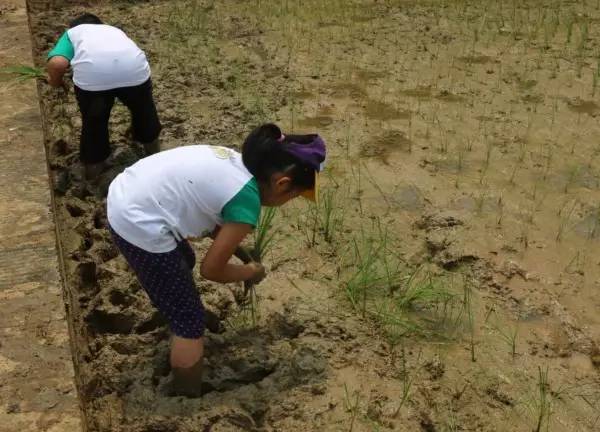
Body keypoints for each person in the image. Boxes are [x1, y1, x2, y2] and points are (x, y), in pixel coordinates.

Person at [106, 123, 326, 396]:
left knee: (183, 258)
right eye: (294, 196)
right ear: (283, 184)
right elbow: (211, 270)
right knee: (190, 321)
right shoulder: (248, 203)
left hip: (126, 194)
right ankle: (186, 397)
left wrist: (240, 252)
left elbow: (209, 214)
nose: (291, 201)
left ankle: (172, 308)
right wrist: (251, 271)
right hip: (138, 222)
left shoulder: (234, 162)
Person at [46, 13, 161, 180]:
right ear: (101, 24)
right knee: (144, 111)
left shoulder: (73, 33)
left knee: (95, 123)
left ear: (74, 26)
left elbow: (57, 63)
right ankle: (154, 153)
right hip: (134, 72)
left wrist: (55, 82)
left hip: (94, 79)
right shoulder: (114, 30)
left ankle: (94, 173)